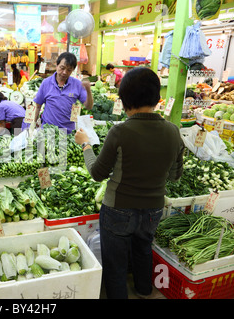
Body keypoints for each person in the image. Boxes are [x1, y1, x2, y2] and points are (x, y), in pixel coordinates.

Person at [74, 67, 185, 299]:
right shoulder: (174, 132)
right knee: (143, 250)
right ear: (156, 98)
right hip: (154, 209)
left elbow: (97, 173)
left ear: (125, 100)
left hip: (118, 210)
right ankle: (144, 290)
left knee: (116, 264)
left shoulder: (120, 131)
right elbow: (175, 177)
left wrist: (85, 145)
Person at [33, 52, 93, 133]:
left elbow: (88, 107)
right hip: (48, 130)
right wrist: (33, 124)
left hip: (67, 132)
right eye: (62, 68)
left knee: (64, 146)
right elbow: (37, 106)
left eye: (69, 70)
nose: (64, 72)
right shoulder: (46, 83)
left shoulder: (77, 84)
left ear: (72, 70)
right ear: (57, 66)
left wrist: (88, 90)